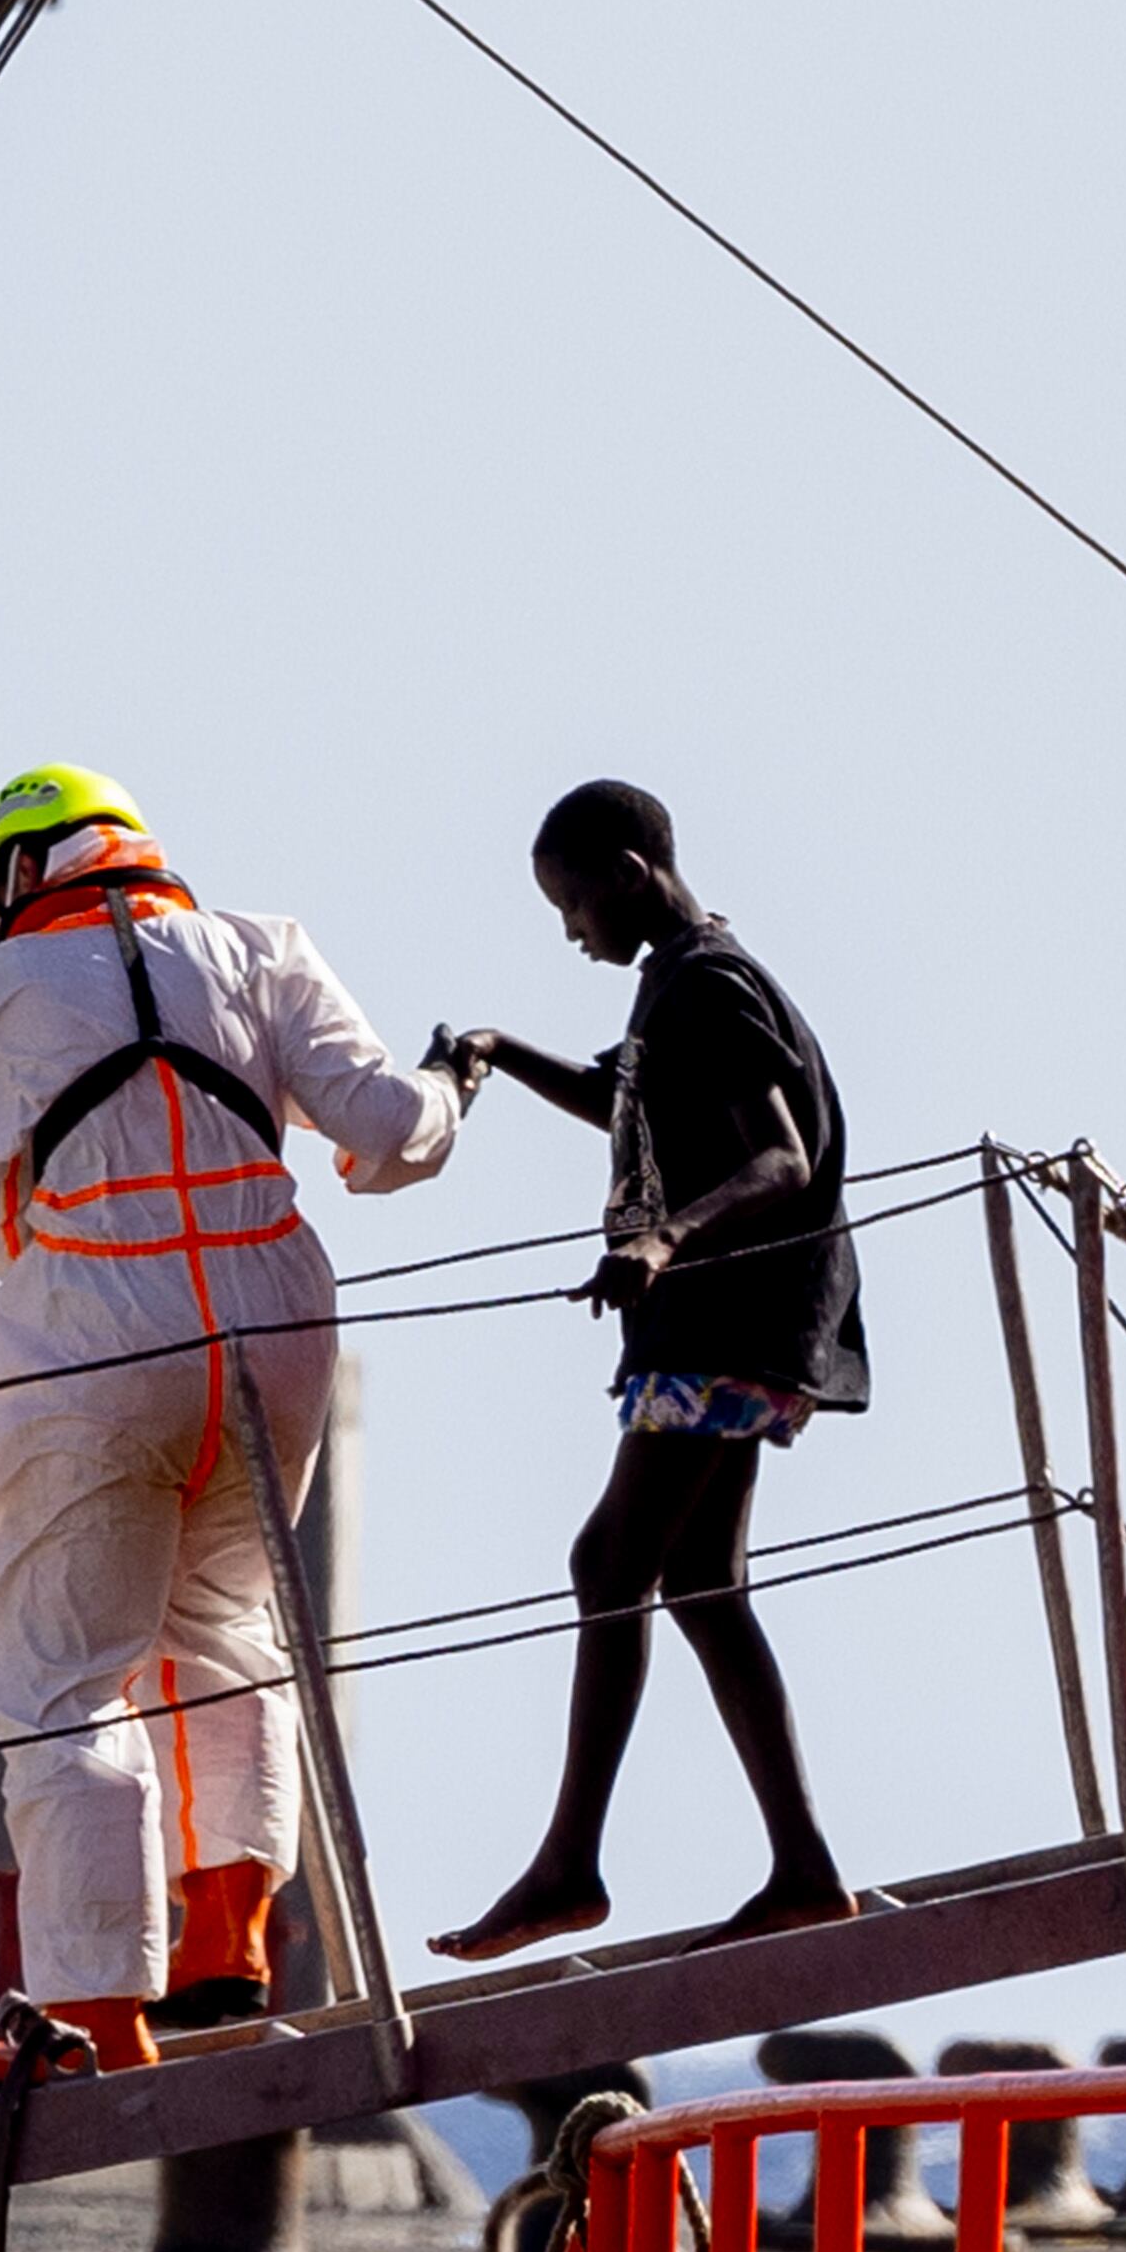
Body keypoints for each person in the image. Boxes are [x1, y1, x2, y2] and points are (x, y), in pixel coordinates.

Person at [0, 767, 462, 2078]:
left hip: (100, 1328)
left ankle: (100, 2017)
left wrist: (91, 1278)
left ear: (19, 871)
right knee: (226, 1626)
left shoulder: (3, 987)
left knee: (60, 1677)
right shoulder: (265, 948)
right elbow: (392, 1135)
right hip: (277, 1324)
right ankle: (232, 1936)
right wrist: (450, 1081)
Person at [429, 780, 866, 1963]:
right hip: (741, 1326)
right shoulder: (678, 984)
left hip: (726, 1320)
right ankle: (803, 1866)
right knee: (696, 1580)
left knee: (609, 1561)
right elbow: (616, 1100)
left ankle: (568, 1866)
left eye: (572, 905)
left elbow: (777, 1159)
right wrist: (493, 1048)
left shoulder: (707, 985)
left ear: (627, 872)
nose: (571, 932)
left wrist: (663, 1240)